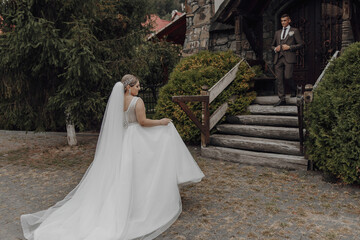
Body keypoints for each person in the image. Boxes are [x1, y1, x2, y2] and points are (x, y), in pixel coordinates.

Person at [20, 74, 204, 240]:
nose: (139, 89)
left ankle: (126, 205)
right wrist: (162, 122)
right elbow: (142, 122)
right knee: (140, 173)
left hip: (124, 140)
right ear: (129, 87)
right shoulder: (137, 101)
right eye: (137, 86)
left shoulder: (117, 102)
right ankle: (140, 207)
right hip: (136, 138)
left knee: (124, 173)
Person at [272, 13, 304, 107]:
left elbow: (301, 44)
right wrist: (275, 48)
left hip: (289, 58)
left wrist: (289, 47)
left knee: (288, 76)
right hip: (278, 58)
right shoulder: (277, 33)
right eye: (281, 21)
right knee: (279, 79)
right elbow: (272, 45)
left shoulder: (294, 31)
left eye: (285, 20)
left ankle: (294, 89)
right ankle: (282, 99)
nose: (283, 22)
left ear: (289, 20)